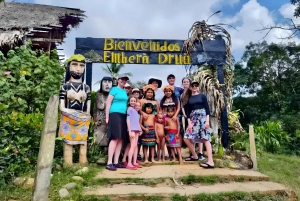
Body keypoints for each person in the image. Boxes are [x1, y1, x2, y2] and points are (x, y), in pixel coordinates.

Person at [182, 81, 214, 168]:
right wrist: (189, 123)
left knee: (205, 138)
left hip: (203, 118)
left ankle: (210, 161)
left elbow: (207, 108)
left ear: (198, 87)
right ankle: (194, 155)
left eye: (196, 85)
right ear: (190, 87)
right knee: (186, 138)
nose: (195, 87)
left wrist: (207, 121)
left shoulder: (202, 96)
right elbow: (187, 112)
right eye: (193, 86)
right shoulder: (188, 98)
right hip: (193, 119)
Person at [105, 74, 129, 171]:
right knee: (114, 138)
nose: (123, 81)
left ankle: (116, 162)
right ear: (118, 80)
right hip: (114, 114)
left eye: (125, 80)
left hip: (123, 115)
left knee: (120, 139)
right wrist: (107, 118)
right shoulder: (114, 89)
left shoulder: (124, 91)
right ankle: (109, 162)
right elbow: (108, 103)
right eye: (122, 79)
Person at [181, 78, 205, 160]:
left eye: (187, 82)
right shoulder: (183, 95)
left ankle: (200, 153)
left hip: (198, 117)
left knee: (200, 134)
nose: (186, 83)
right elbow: (183, 106)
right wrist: (186, 115)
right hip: (189, 117)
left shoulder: (197, 94)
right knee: (191, 135)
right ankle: (193, 153)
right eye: (184, 82)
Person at [160, 85, 181, 160]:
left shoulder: (176, 99)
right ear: (164, 92)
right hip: (165, 118)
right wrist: (162, 118)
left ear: (172, 92)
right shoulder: (163, 100)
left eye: (169, 91)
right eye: (166, 91)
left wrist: (175, 115)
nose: (168, 92)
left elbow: (178, 107)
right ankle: (170, 155)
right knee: (167, 136)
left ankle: (178, 154)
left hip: (174, 117)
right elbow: (161, 110)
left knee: (176, 135)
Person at [125, 95, 142, 170]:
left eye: (134, 101)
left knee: (135, 146)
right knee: (132, 146)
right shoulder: (129, 109)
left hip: (137, 130)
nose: (133, 102)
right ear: (129, 102)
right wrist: (130, 131)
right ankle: (129, 163)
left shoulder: (135, 111)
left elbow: (137, 122)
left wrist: (140, 129)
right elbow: (128, 120)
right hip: (132, 130)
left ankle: (134, 162)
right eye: (131, 101)